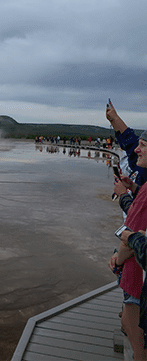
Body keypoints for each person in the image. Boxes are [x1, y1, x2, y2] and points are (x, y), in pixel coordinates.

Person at [112, 130, 147, 360]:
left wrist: (117, 259)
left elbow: (131, 237)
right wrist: (133, 189)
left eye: (143, 145)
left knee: (137, 341)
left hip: (137, 276)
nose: (137, 149)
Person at [107, 101, 145, 189]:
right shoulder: (140, 166)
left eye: (143, 145)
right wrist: (114, 119)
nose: (136, 149)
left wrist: (124, 195)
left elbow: (131, 143)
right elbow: (129, 142)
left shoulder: (143, 169)